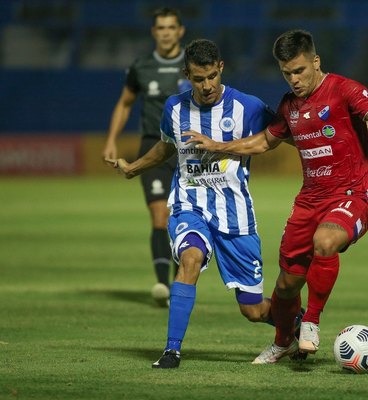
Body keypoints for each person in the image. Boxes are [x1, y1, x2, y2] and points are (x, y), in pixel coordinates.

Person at [187, 29, 368, 364]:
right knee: (285, 286)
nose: (294, 79)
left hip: (350, 195)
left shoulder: (344, 90)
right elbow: (264, 142)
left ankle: (311, 321)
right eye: (287, 73)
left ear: (316, 61)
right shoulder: (289, 106)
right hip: (308, 202)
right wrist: (218, 147)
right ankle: (283, 341)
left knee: (325, 241)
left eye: (299, 71)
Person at [105, 38, 285, 368]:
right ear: (188, 74)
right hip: (190, 204)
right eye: (198, 79)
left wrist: (224, 146)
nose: (205, 86)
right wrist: (133, 168)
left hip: (235, 216)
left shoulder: (249, 107)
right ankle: (172, 350)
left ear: (221, 69)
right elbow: (166, 147)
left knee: (253, 309)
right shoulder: (174, 108)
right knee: (190, 258)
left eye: (211, 77)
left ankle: (298, 325)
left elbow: (281, 132)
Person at [102, 7, 190, 306]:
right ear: (154, 32)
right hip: (153, 147)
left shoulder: (193, 65)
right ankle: (162, 286)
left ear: (180, 31)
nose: (165, 32)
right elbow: (125, 103)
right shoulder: (141, 66)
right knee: (159, 215)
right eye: (160, 28)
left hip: (187, 151)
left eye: (170, 27)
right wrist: (112, 139)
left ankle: (182, 287)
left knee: (184, 218)